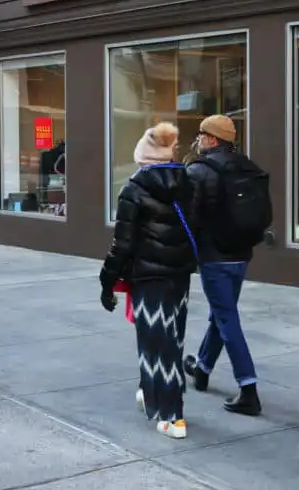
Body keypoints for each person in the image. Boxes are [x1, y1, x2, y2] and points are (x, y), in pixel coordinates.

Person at [100, 122, 197, 439]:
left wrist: (107, 280)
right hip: (180, 275)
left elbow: (122, 244)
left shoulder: (134, 189)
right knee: (172, 341)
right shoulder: (187, 183)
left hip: (149, 277)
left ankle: (173, 417)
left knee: (156, 344)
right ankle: (150, 391)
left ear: (144, 157)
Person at [183, 115, 271, 416]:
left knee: (226, 318)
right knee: (222, 314)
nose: (198, 139)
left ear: (212, 139)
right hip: (241, 254)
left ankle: (248, 389)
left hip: (214, 257)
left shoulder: (199, 170)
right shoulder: (248, 166)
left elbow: (189, 218)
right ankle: (202, 368)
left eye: (201, 134)